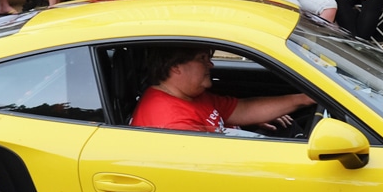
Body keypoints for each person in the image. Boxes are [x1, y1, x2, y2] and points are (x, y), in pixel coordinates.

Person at [130, 45, 315, 133]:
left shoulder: (188, 95)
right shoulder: (173, 125)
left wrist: (303, 99)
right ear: (175, 67)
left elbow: (241, 109)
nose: (210, 65)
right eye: (202, 58)